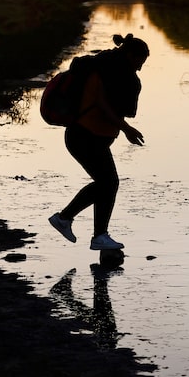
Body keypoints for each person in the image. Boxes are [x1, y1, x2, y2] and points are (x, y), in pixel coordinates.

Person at [49, 34, 149, 251]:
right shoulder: (109, 73)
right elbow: (103, 106)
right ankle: (77, 225)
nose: (140, 68)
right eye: (139, 62)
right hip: (85, 136)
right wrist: (126, 129)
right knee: (109, 183)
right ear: (130, 55)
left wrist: (123, 129)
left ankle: (83, 228)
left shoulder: (108, 68)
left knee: (107, 183)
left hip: (88, 137)